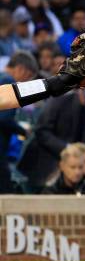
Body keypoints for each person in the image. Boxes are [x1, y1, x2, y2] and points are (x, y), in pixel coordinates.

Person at [0, 51, 38, 193]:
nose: (24, 85)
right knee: (7, 193)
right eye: (27, 79)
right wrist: (23, 131)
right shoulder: (7, 81)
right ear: (21, 69)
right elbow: (3, 118)